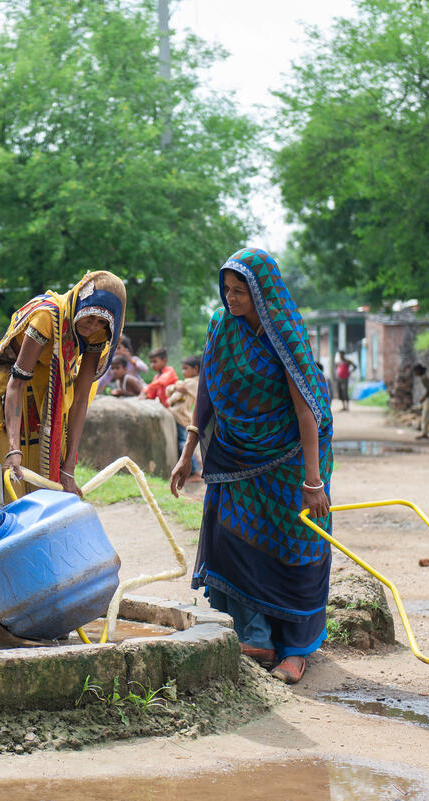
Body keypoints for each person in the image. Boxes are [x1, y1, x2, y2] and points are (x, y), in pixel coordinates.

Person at [170, 248, 332, 686]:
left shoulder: (285, 333)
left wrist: (312, 481)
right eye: (227, 290)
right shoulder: (222, 326)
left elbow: (305, 411)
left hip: (293, 455)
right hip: (233, 449)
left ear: (263, 292)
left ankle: (295, 651)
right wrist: (188, 450)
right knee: (232, 538)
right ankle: (255, 635)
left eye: (241, 291)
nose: (231, 298)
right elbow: (208, 387)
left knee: (295, 545)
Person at [0, 271, 126, 498]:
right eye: (90, 316)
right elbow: (16, 384)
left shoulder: (98, 335)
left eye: (102, 322)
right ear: (80, 303)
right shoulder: (47, 317)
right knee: (3, 470)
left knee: (48, 472)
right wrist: (13, 449)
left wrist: (68, 468)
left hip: (49, 386)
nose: (93, 325)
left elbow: (79, 399)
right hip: (8, 381)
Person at [167, 354, 202, 475]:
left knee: (184, 444)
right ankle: (198, 464)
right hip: (181, 416)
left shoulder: (193, 383)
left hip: (182, 418)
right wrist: (176, 388)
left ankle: (196, 471)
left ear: (196, 369)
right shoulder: (186, 382)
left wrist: (175, 388)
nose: (183, 371)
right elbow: (170, 390)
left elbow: (170, 395)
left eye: (186, 368)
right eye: (182, 368)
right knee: (187, 443)